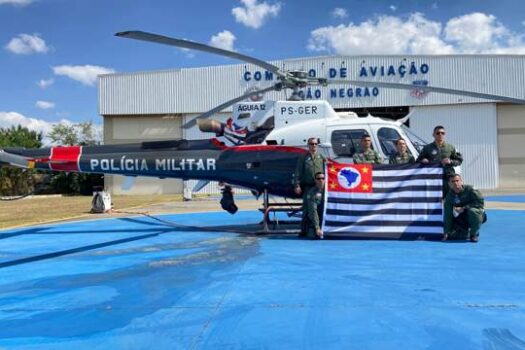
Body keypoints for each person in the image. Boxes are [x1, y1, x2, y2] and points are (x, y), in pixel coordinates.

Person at [416, 125, 463, 196]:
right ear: (433, 134)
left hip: (448, 178)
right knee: (434, 197)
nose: (440, 135)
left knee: (449, 198)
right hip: (433, 177)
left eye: (442, 133)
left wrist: (451, 161)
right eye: (438, 133)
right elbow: (418, 161)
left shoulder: (450, 147)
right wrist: (423, 161)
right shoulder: (427, 148)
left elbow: (459, 160)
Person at [294, 137, 326, 236]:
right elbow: (298, 172)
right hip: (308, 187)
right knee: (307, 209)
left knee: (320, 208)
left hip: (320, 187)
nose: (314, 146)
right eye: (311, 144)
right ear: (308, 145)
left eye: (315, 144)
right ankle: (304, 230)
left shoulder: (321, 156)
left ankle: (320, 227)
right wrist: (297, 185)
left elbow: (328, 167)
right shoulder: (303, 157)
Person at [443, 174, 485, 243]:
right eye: (452, 181)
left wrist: (464, 208)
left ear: (461, 181)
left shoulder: (471, 190)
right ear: (449, 184)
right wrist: (446, 232)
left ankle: (473, 234)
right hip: (462, 218)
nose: (455, 183)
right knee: (452, 236)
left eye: (457, 180)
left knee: (473, 211)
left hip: (476, 214)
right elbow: (448, 215)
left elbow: (480, 203)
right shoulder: (449, 196)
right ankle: (467, 232)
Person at [305, 172, 325, 239]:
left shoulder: (330, 190)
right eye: (318, 178)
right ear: (315, 180)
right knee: (313, 235)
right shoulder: (312, 192)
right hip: (316, 219)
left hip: (327, 218)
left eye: (323, 178)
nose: (321, 180)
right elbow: (313, 211)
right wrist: (317, 228)